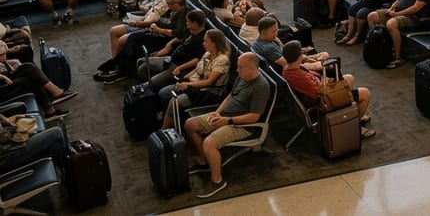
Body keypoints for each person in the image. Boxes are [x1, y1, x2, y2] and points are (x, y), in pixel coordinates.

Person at [185, 53, 272, 199]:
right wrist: (217, 113)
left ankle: (217, 180)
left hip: (242, 125)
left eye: (240, 68)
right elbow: (231, 96)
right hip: (225, 116)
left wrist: (227, 120)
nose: (237, 71)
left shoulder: (261, 87)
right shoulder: (243, 76)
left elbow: (254, 116)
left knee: (209, 143)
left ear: (252, 69)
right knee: (190, 125)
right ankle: (205, 160)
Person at [280, 40, 375, 138]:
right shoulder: (299, 77)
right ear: (300, 56)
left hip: (317, 93)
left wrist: (323, 80)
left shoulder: (287, 69)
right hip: (323, 101)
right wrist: (326, 84)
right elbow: (318, 93)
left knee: (349, 78)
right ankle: (355, 126)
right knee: (365, 93)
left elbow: (311, 77)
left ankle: (350, 114)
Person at [155, 28, 231, 130]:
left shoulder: (222, 59)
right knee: (163, 92)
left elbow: (209, 82)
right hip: (194, 85)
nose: (203, 43)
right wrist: (184, 79)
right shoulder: (207, 54)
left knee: (175, 101)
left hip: (207, 93)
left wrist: (188, 85)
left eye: (206, 41)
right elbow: (197, 69)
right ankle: (171, 120)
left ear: (214, 43)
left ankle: (165, 128)